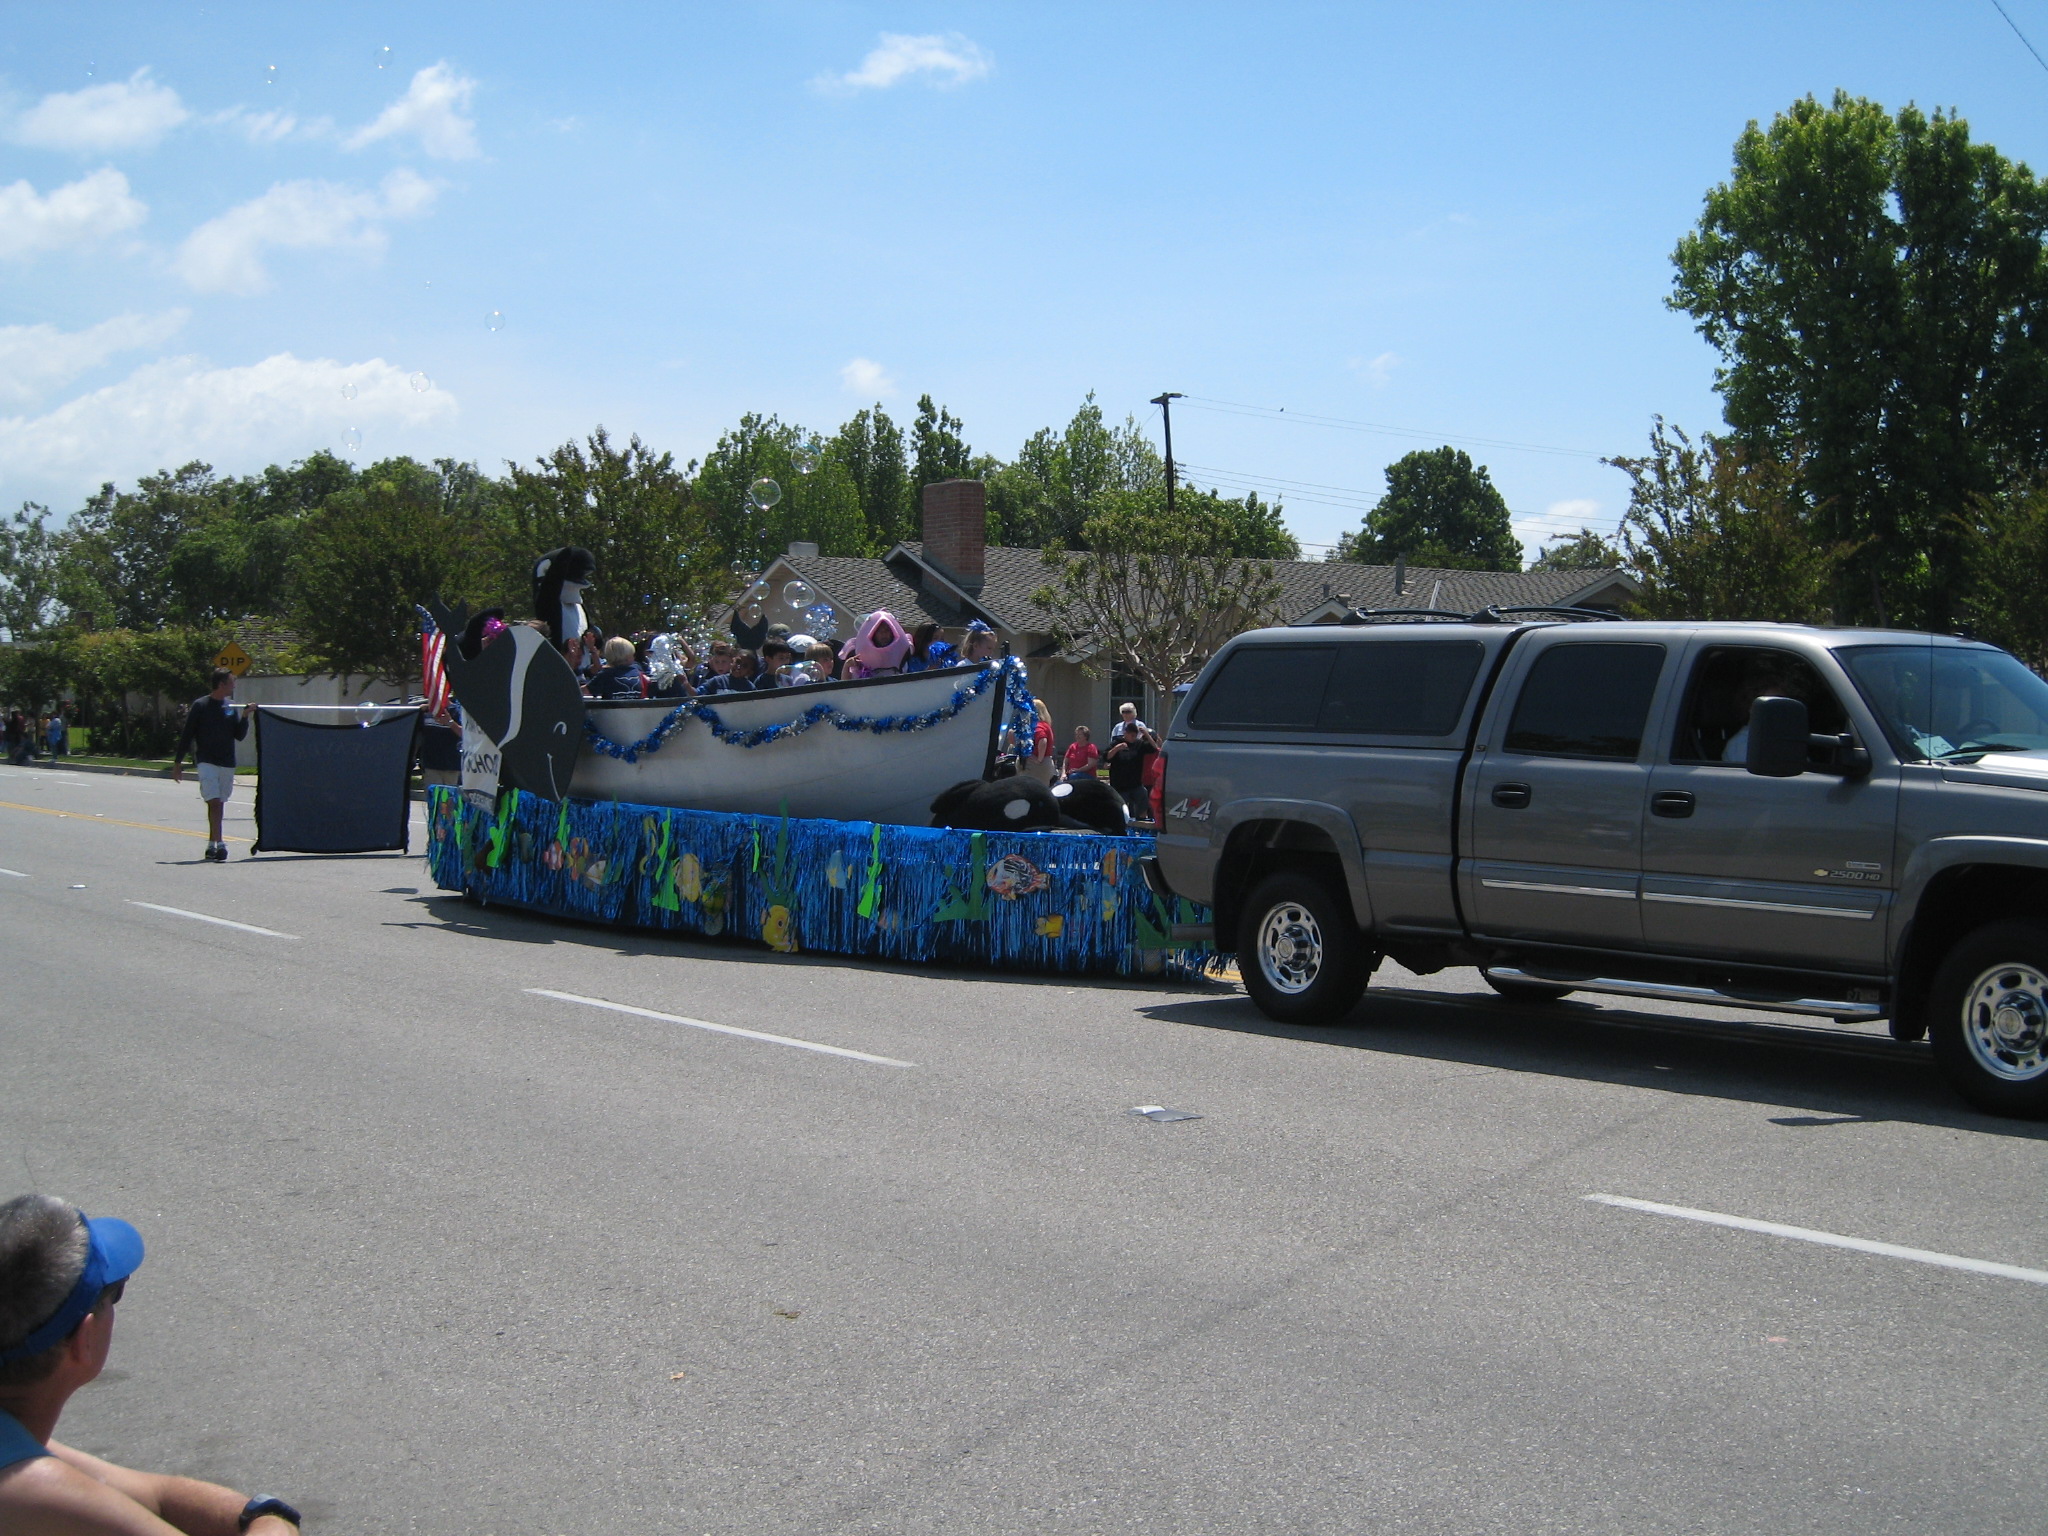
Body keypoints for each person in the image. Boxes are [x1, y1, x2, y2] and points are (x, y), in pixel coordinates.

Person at [0, 1193, 302, 1535]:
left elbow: (156, 1496)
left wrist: (260, 1513)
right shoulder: (37, 1489)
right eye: (115, 1292)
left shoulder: (21, 1454)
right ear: (83, 1340)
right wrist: (277, 1526)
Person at [170, 670, 252, 863]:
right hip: (207, 761)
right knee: (213, 801)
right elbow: (188, 734)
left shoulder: (230, 706)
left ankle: (211, 844)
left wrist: (246, 716)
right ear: (221, 684)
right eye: (232, 682)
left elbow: (238, 735)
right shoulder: (201, 705)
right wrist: (178, 762)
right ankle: (221, 844)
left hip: (227, 762)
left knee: (220, 802)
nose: (234, 685)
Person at [1104, 720, 1158, 825]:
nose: (1133, 738)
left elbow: (1154, 748)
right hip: (1120, 784)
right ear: (1126, 733)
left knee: (1143, 797)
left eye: (1135, 735)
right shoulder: (1116, 742)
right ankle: (1121, 825)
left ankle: (1141, 823)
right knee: (1122, 809)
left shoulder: (1139, 744)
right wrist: (1117, 748)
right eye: (1132, 735)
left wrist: (1146, 733)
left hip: (1135, 784)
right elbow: (1106, 757)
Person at [1026, 698, 1056, 784]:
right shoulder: (1046, 725)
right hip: (1046, 763)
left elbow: (1043, 740)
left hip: (1037, 765)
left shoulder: (1038, 725)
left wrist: (1039, 760)